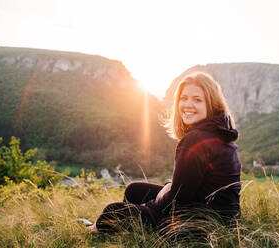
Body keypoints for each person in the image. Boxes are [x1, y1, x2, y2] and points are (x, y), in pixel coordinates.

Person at [89, 71, 241, 233]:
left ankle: (97, 229)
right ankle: (123, 228)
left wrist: (147, 207)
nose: (188, 105)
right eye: (184, 98)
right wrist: (168, 188)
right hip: (223, 219)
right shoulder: (222, 132)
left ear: (211, 104)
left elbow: (178, 200)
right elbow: (189, 184)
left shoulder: (195, 139)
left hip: (198, 224)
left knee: (114, 211)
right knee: (134, 190)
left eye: (197, 100)